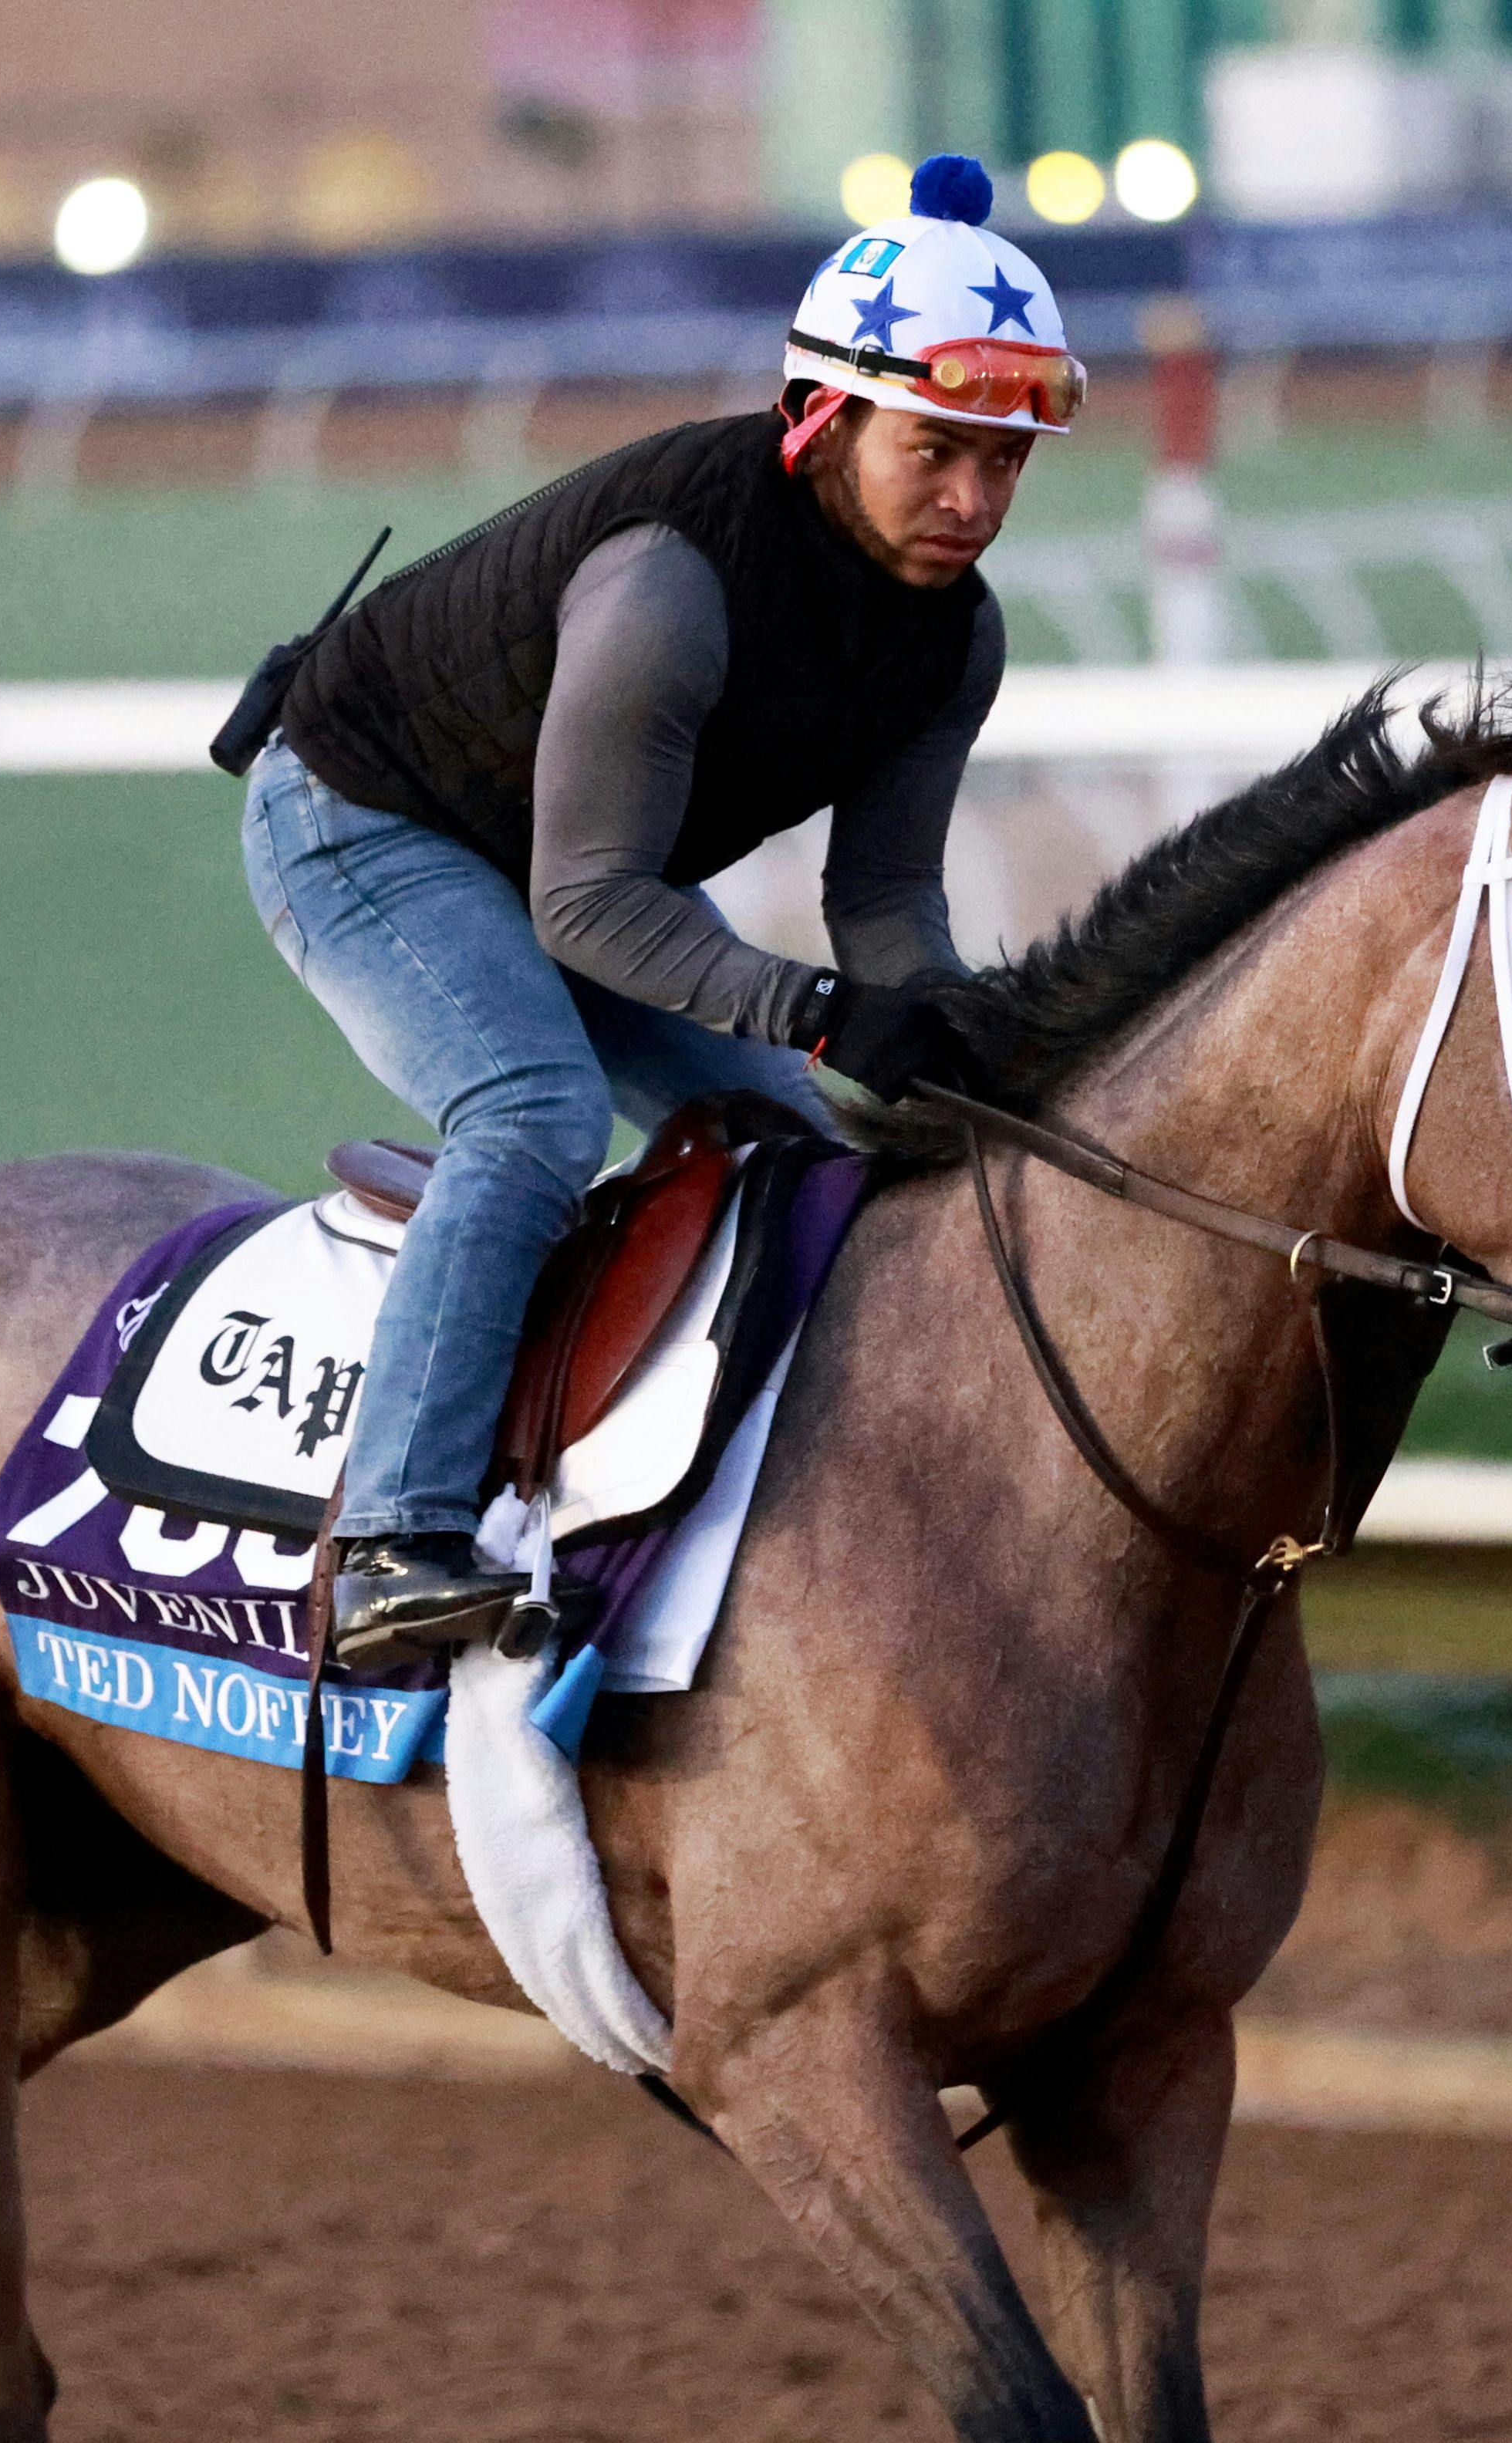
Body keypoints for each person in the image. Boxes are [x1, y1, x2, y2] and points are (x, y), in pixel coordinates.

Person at [236, 154, 1082, 1664]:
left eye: (1008, 463)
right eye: (937, 449)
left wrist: (953, 1033)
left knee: (820, 1147)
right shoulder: (670, 582)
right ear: (824, 417)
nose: (974, 500)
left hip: (574, 860)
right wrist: (821, 1011)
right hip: (365, 817)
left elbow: (885, 904)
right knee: (533, 1109)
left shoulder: (955, 641)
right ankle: (386, 1540)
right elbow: (590, 910)